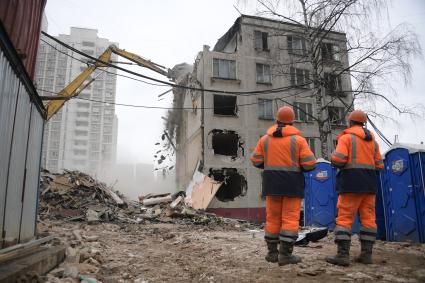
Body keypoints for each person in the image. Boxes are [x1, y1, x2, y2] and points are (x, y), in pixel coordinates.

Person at [251, 106, 316, 266]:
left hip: (271, 185)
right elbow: (310, 164)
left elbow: (256, 160)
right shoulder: (298, 140)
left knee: (272, 218)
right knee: (290, 219)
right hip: (292, 185)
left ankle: (272, 253)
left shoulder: (265, 139)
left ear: (277, 120)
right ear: (292, 121)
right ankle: (285, 254)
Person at [326, 109, 384, 266]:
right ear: (364, 123)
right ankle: (366, 255)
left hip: (350, 183)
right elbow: (380, 165)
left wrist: (332, 156)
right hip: (369, 184)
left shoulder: (346, 138)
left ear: (350, 122)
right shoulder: (373, 142)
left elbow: (338, 160)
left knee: (344, 217)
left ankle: (343, 255)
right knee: (368, 219)